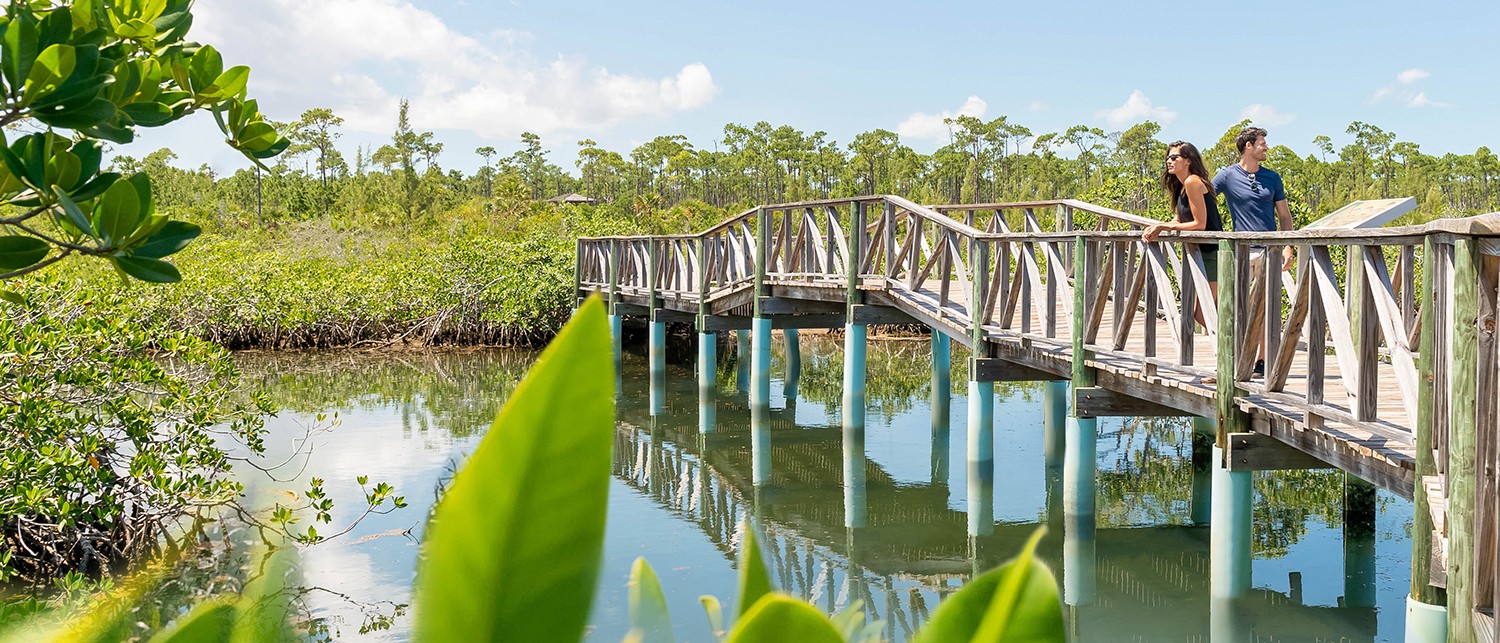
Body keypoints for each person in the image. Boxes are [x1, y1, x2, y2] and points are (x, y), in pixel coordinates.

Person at [1212, 126, 1293, 378]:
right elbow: (1202, 200)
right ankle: (1236, 360)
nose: (1266, 147)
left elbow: (1284, 216)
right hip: (1241, 253)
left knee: (1267, 308)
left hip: (1271, 252)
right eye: (1262, 143)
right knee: (1241, 309)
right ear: (1248, 146)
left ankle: (1263, 362)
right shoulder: (1226, 176)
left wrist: (1288, 246)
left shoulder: (1272, 178)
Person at [1143, 141, 1222, 330]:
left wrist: (1162, 226)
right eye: (1167, 158)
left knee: (1203, 313)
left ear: (1187, 160)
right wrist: (1158, 226)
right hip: (1199, 254)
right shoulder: (1181, 187)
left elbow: (1200, 225)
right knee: (1212, 312)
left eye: (1174, 157)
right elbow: (1179, 220)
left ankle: (1236, 352)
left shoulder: (1192, 181)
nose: (1169, 161)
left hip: (1211, 254)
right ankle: (1236, 353)